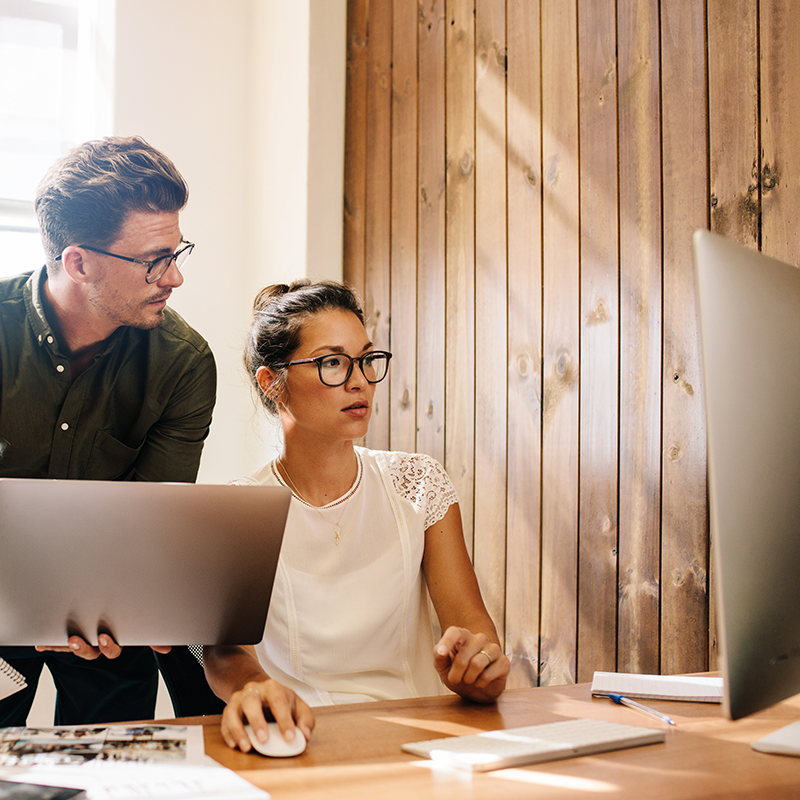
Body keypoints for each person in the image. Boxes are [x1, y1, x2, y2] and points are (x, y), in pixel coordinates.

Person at [203, 280, 510, 753]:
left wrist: (480, 665)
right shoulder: (238, 510)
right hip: (294, 740)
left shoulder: (418, 483)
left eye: (366, 359)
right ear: (272, 383)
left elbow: (472, 625)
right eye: (332, 363)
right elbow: (223, 652)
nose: (359, 380)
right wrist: (251, 688)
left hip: (417, 741)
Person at [0, 135, 223, 725]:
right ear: (78, 261)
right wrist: (26, 605)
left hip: (107, 625)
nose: (174, 278)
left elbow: (154, 518)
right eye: (154, 259)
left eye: (177, 252)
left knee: (115, 776)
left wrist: (102, 602)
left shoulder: (184, 362)